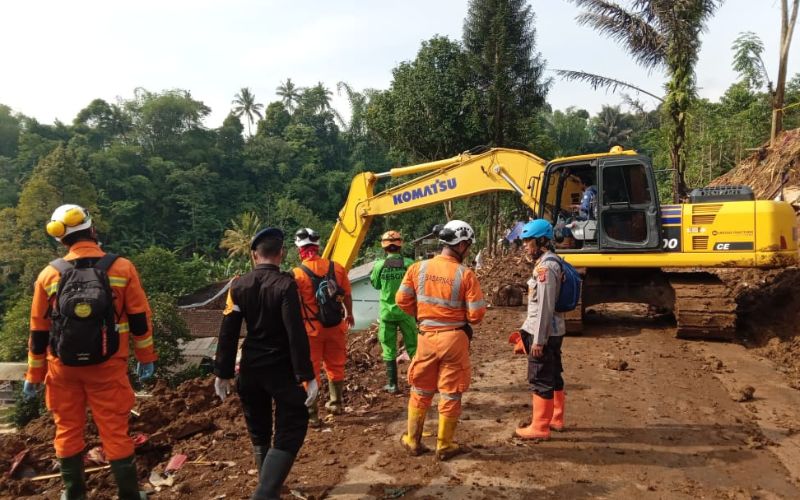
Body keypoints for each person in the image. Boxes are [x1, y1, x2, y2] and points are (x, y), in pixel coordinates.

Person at [23, 204, 156, 500]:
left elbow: (38, 329)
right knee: (114, 430)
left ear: (60, 240)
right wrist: (146, 358)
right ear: (93, 231)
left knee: (67, 429)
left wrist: (34, 373)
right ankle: (129, 495)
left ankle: (73, 494)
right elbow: (139, 319)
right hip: (108, 366)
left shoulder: (48, 275)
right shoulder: (121, 268)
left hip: (62, 368)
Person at [214, 227, 317, 500]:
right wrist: (307, 375)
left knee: (258, 427)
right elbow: (295, 332)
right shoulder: (286, 285)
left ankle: (268, 487)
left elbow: (228, 330)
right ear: (281, 254)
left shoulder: (238, 285)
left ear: (253, 255)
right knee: (293, 420)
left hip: (249, 368)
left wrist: (223, 373)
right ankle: (266, 492)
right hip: (279, 369)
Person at [395, 220, 486, 460]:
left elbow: (402, 300)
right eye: (468, 246)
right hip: (454, 339)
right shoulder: (465, 274)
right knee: (451, 393)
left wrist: (423, 314)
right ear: (462, 244)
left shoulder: (418, 268)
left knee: (421, 389)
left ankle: (412, 440)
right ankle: (444, 446)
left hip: (425, 336)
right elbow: (476, 315)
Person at [292, 228, 354, 424]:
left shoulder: (297, 274)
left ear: (299, 250)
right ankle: (336, 404)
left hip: (311, 330)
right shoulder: (336, 267)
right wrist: (349, 313)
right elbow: (347, 295)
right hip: (335, 326)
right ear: (318, 247)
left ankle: (312, 414)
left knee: (311, 371)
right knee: (336, 365)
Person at [515, 219, 567, 441]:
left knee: (540, 378)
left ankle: (540, 427)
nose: (526, 245)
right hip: (553, 331)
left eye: (529, 241)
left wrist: (538, 340)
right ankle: (556, 418)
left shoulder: (546, 267)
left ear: (542, 241)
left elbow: (545, 306)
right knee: (554, 375)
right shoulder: (551, 262)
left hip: (544, 333)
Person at [369, 230, 418, 393]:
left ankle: (392, 384)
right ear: (400, 245)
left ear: (384, 247)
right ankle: (418, 382)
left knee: (389, 349)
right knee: (413, 347)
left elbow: (375, 285)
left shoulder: (379, 266)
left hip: (387, 313)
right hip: (406, 312)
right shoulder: (410, 264)